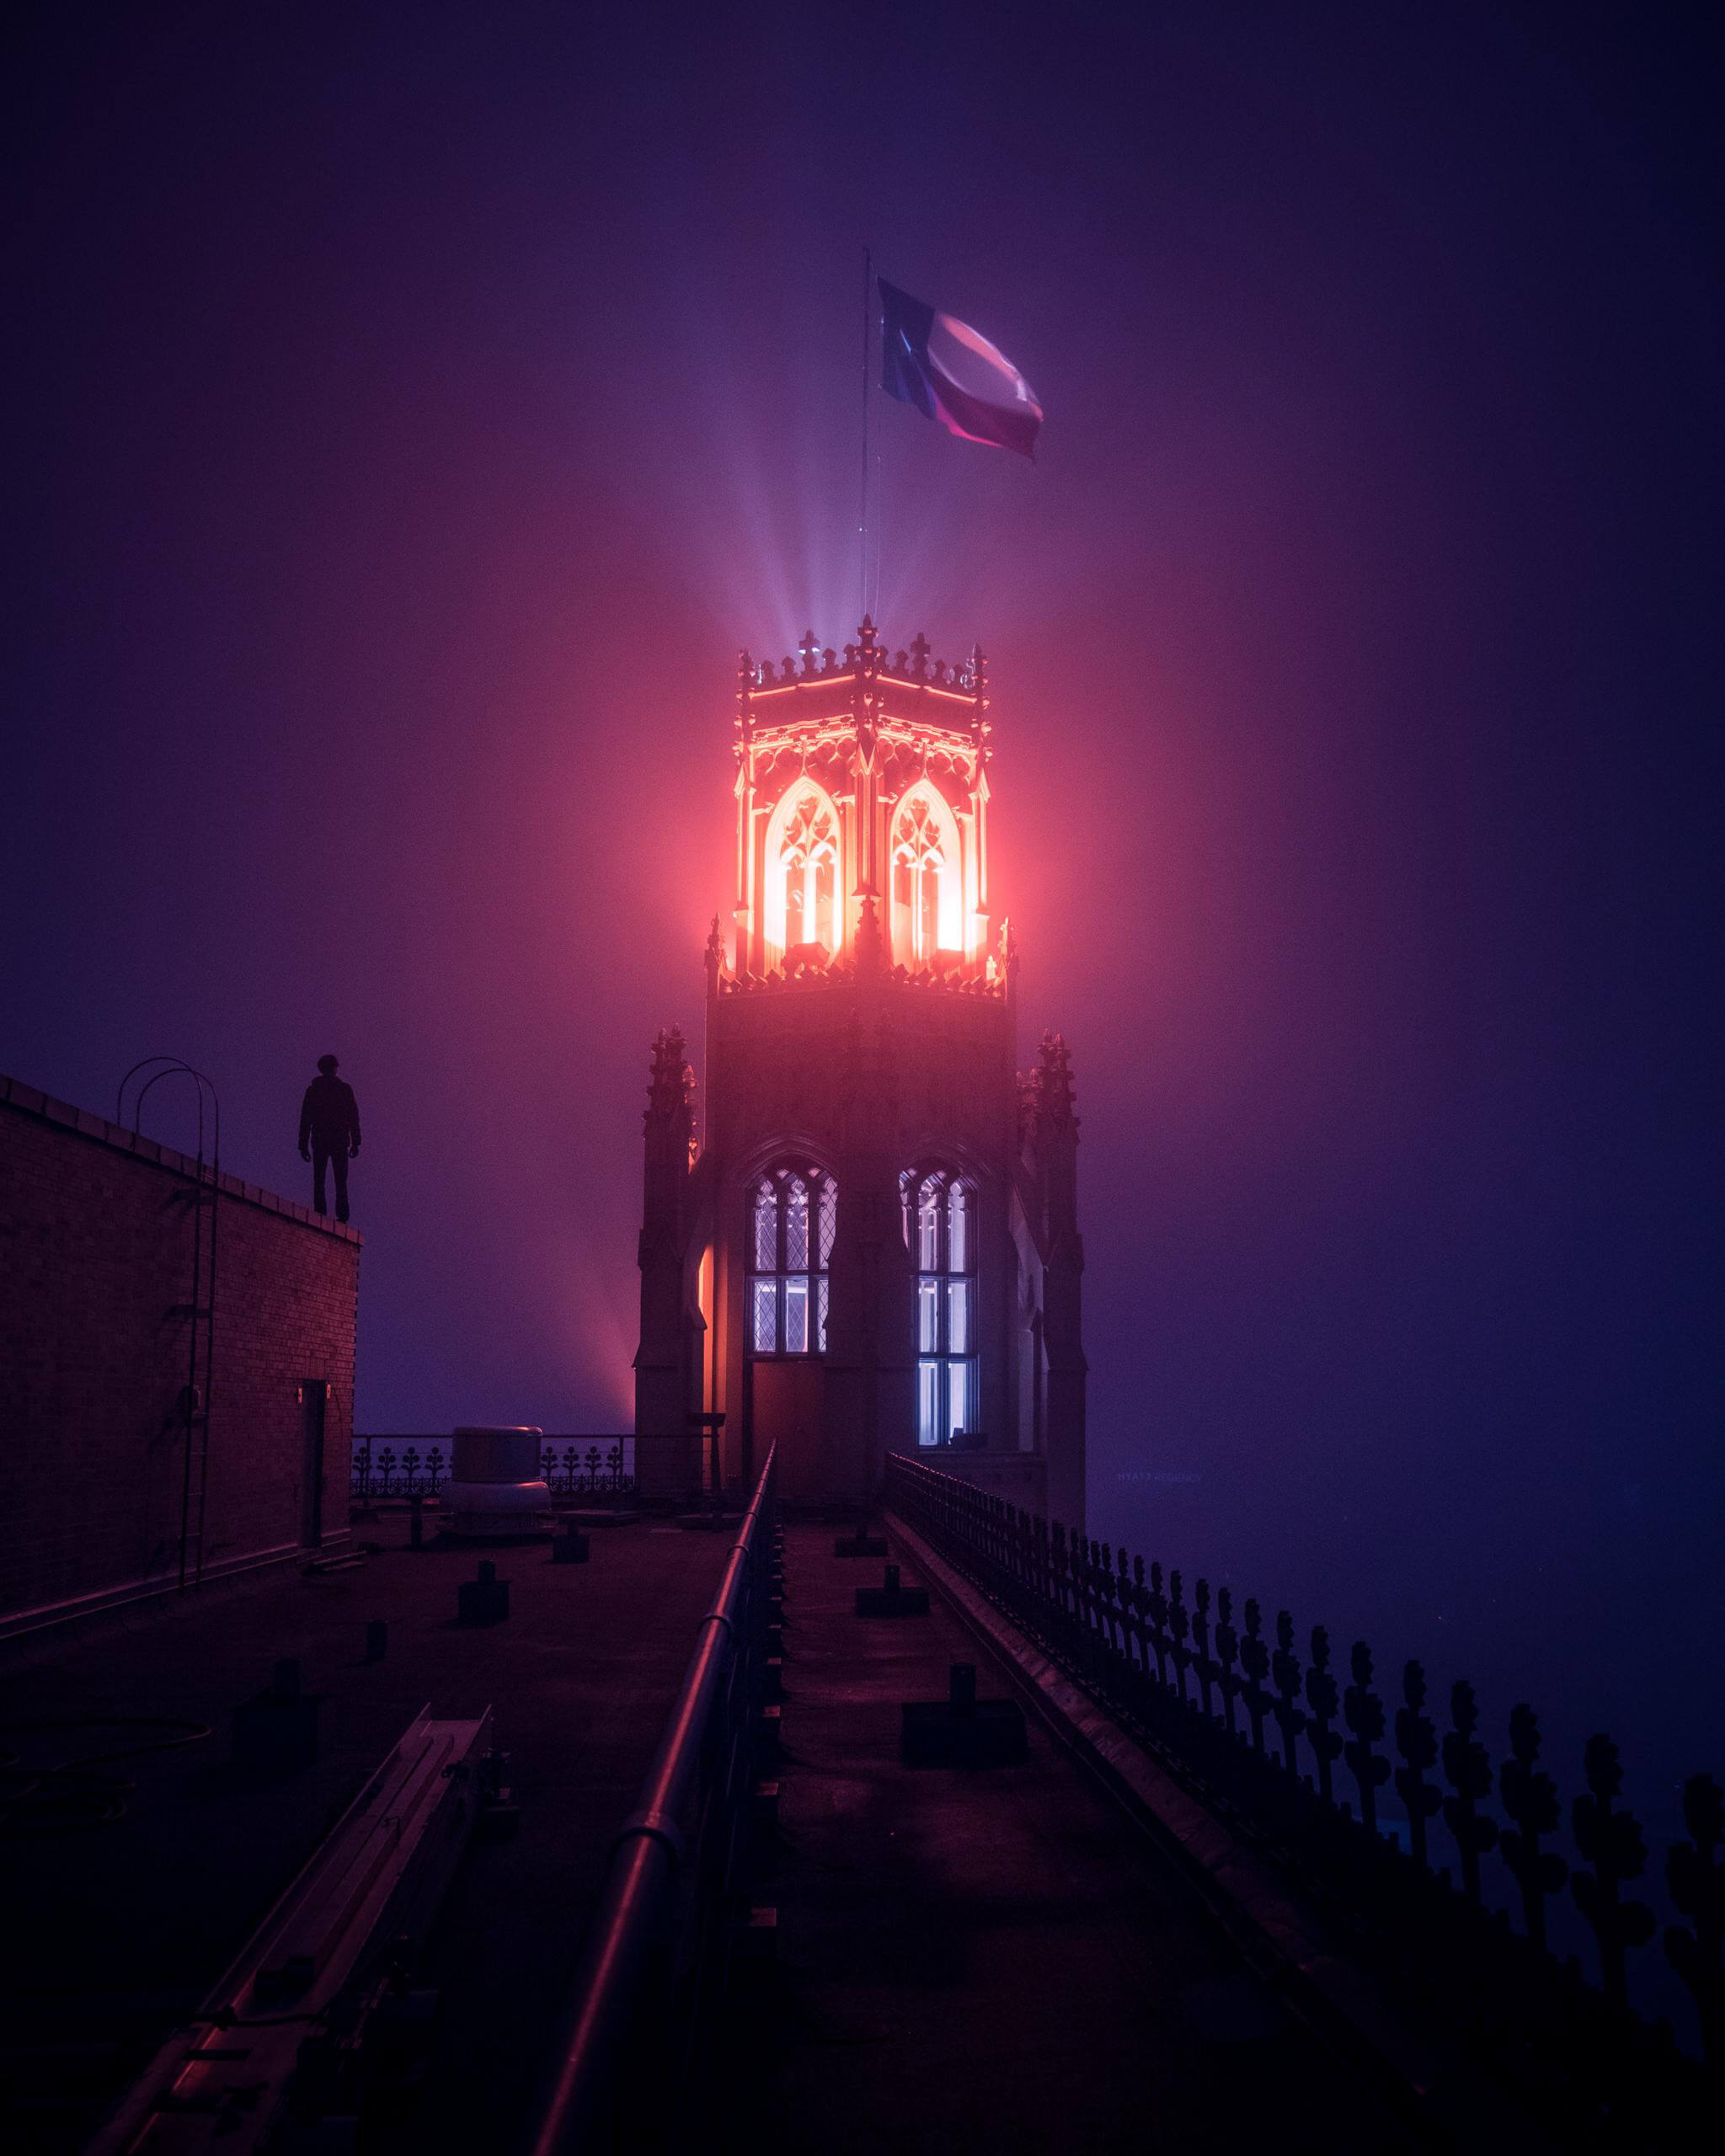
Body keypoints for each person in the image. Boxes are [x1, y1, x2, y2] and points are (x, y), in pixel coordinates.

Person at [299, 1054, 361, 1222]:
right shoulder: (344, 1089)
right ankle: (342, 1215)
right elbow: (353, 1117)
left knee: (319, 1179)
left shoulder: (314, 1091)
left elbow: (306, 1119)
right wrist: (356, 1142)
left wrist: (303, 1145)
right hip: (339, 1141)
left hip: (320, 1141)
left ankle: (320, 1213)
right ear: (333, 1068)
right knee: (340, 1180)